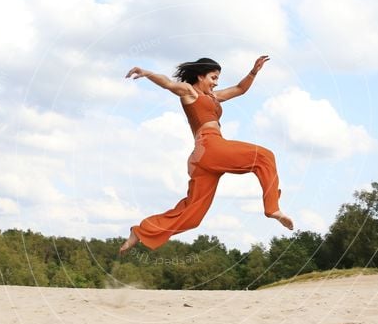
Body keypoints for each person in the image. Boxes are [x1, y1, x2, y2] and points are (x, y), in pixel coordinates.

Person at [119, 55, 293, 254]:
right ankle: (272, 208)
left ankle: (140, 231)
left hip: (201, 159)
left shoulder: (213, 96)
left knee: (192, 215)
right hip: (210, 146)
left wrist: (253, 72)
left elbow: (239, 89)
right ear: (200, 76)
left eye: (217, 78)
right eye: (213, 77)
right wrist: (147, 73)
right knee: (264, 156)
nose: (216, 82)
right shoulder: (189, 91)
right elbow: (167, 83)